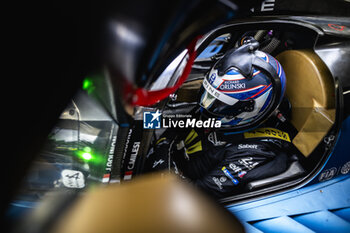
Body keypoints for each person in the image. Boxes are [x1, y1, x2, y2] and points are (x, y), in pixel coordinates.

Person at [145, 39, 300, 198]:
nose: (207, 106)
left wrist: (161, 161)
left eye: (219, 103)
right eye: (208, 95)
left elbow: (193, 197)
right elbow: (177, 122)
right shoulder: (218, 111)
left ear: (249, 109)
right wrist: (152, 131)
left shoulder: (256, 152)